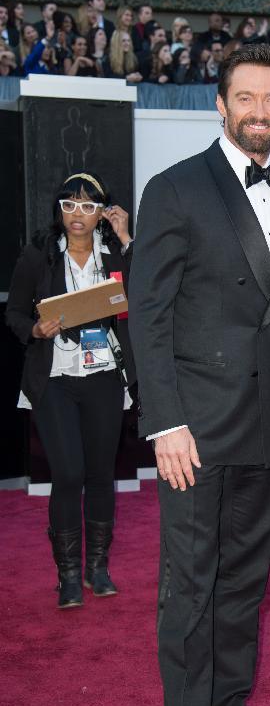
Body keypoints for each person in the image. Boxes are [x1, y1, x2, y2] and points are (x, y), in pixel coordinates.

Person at [128, 44, 270, 706]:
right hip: (192, 433)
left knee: (241, 587)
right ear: (220, 104)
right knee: (188, 596)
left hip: (263, 427)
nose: (259, 112)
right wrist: (163, 420)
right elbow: (151, 315)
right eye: (246, 99)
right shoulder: (174, 189)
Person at [6, 173, 135, 609]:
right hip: (55, 377)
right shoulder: (38, 256)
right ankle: (68, 576)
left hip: (102, 376)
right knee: (68, 474)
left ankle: (98, 568)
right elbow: (15, 313)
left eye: (87, 205)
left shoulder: (115, 254)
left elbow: (144, 295)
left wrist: (126, 238)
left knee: (101, 473)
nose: (77, 214)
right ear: (59, 210)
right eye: (69, 204)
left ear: (103, 211)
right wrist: (36, 330)